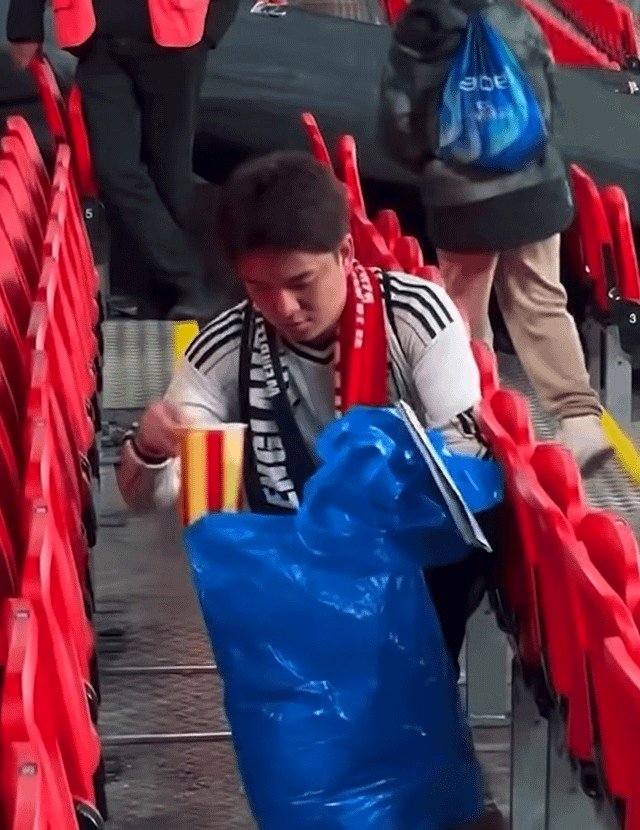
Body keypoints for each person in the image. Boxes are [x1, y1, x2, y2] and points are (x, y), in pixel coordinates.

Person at [116, 149, 496, 669]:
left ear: (344, 253)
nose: (284, 310)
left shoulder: (415, 316)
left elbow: (466, 454)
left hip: (408, 565)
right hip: (295, 578)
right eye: (259, 290)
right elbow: (162, 498)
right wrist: (151, 449)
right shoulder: (224, 349)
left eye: (301, 284)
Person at [378, 0, 613, 474]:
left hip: (462, 199)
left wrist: (432, 166)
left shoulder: (418, 29)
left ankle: (478, 418)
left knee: (462, 311)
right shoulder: (517, 16)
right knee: (542, 300)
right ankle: (580, 420)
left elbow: (396, 123)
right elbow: (548, 95)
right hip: (536, 187)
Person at [6, 0, 239, 319]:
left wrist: (213, 28)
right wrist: (23, 27)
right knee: (114, 170)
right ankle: (189, 278)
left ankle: (163, 292)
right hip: (96, 42)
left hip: (177, 36)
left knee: (170, 172)